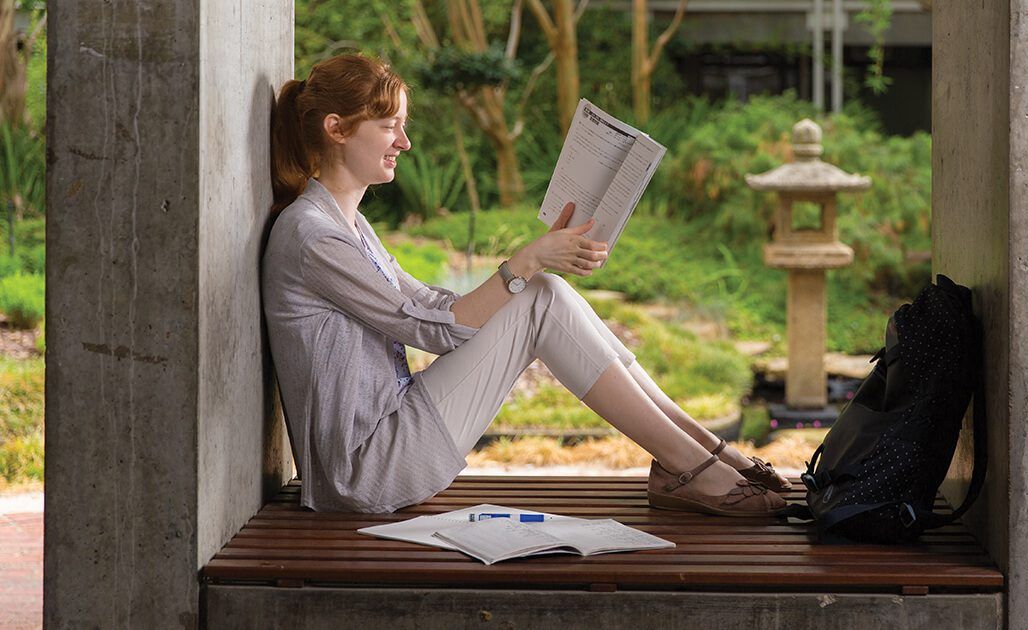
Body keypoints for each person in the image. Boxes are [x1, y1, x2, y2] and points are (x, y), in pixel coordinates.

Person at [262, 53, 791, 516]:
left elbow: (430, 303)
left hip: (390, 435)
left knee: (545, 294)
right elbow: (432, 331)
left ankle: (703, 452)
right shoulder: (313, 236)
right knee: (538, 296)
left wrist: (531, 264)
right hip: (365, 470)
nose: (404, 141)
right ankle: (691, 464)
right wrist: (525, 263)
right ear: (336, 129)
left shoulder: (346, 224)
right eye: (388, 126)